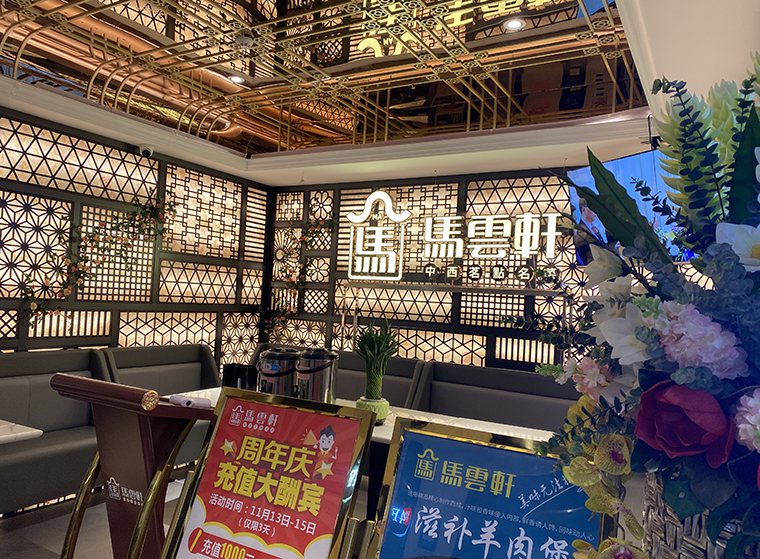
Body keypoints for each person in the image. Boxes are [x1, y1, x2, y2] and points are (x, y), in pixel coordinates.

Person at [574, 198, 617, 265]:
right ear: (584, 209)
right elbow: (595, 253)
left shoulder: (594, 228)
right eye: (592, 208)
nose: (595, 212)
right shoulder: (580, 232)